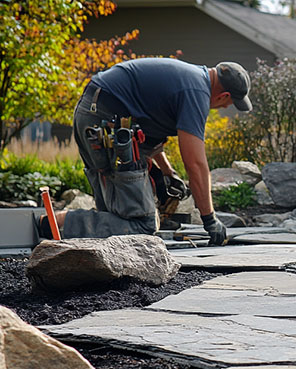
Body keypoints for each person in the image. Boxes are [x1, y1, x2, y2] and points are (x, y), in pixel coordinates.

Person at [42, 57, 252, 246]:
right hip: (103, 122)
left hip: (93, 112)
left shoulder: (191, 77)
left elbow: (149, 124)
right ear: (223, 95)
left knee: (116, 213)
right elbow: (195, 163)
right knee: (142, 225)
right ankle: (58, 222)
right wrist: (210, 219)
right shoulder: (196, 92)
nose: (225, 108)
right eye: (230, 103)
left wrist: (168, 172)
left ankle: (67, 233)